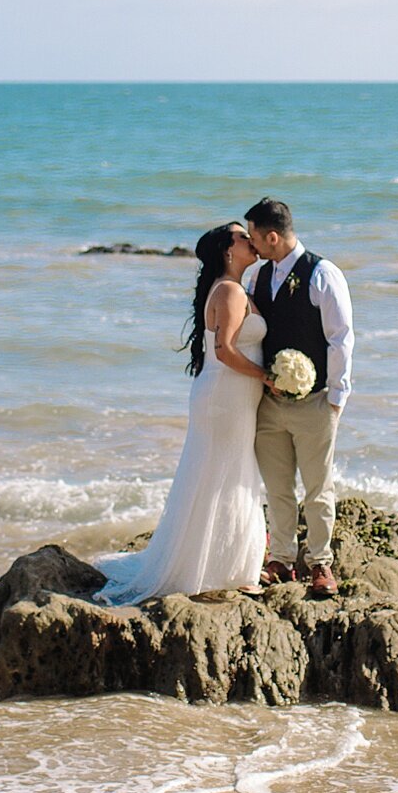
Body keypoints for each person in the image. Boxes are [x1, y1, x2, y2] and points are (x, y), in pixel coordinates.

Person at [93, 223, 269, 605]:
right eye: (242, 237)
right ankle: (215, 568)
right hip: (226, 395)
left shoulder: (236, 289)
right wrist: (267, 377)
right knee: (222, 473)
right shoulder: (228, 290)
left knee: (230, 472)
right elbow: (224, 350)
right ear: (227, 250)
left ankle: (226, 564)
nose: (250, 242)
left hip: (231, 396)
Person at [241, 197, 354, 597]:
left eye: (254, 237)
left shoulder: (323, 274)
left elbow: (339, 339)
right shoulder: (256, 278)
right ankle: (282, 559)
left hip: (316, 403)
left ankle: (320, 563)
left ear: (273, 236)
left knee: (318, 487)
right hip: (269, 404)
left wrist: (336, 398)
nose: (252, 245)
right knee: (277, 486)